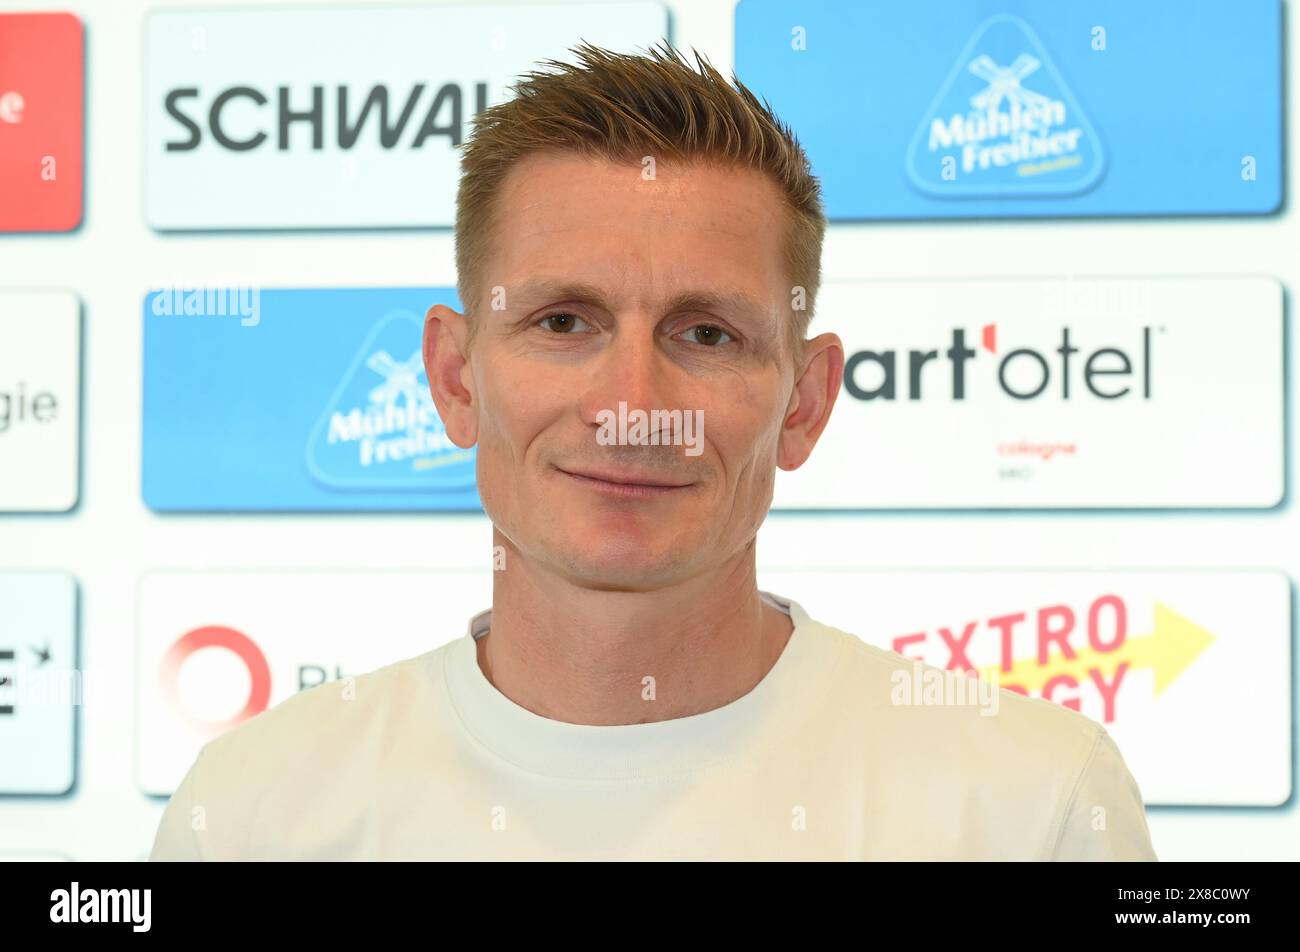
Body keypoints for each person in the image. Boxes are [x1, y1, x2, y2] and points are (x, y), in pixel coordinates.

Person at [150, 40, 1157, 861]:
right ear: (455, 379)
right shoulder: (251, 818)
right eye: (563, 322)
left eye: (705, 334)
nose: (632, 405)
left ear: (803, 404)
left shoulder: (1033, 805)